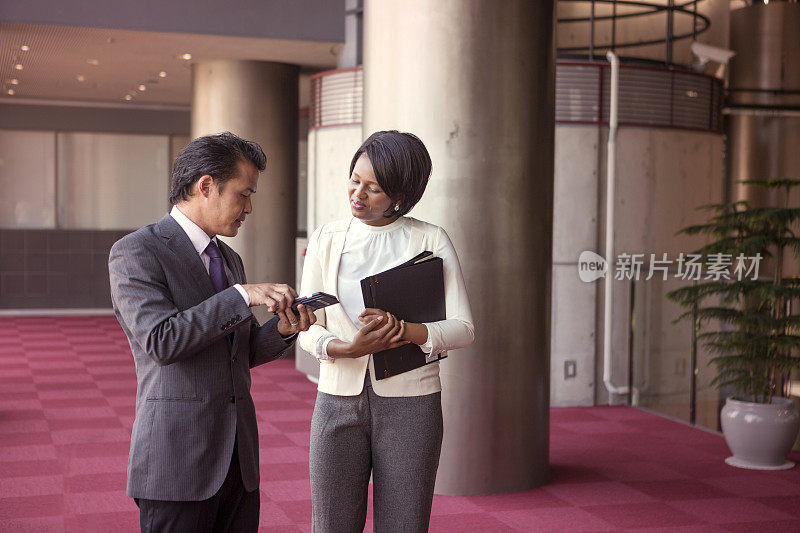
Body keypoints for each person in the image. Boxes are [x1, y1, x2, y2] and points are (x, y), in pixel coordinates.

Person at [108, 132, 317, 532]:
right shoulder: (137, 251)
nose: (249, 208)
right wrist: (241, 295)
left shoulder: (229, 258)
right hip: (177, 464)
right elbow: (162, 341)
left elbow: (237, 353)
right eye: (244, 194)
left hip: (239, 461)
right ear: (206, 186)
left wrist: (282, 331)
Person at [298, 130, 475, 532]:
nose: (357, 194)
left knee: (404, 525)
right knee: (330, 525)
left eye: (373, 188)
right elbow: (307, 325)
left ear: (400, 196)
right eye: (354, 180)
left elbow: (464, 329)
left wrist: (407, 330)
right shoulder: (327, 237)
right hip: (336, 400)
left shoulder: (430, 239)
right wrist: (343, 347)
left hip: (412, 404)